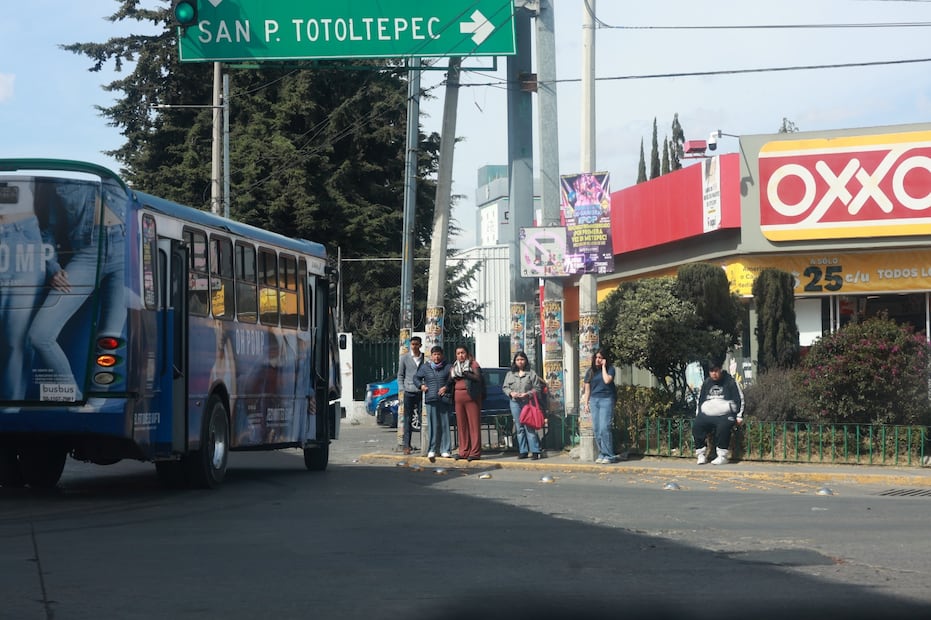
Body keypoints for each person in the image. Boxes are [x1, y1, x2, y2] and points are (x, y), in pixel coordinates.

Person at [27, 178, 127, 402]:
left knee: (110, 338)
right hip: (87, 253)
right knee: (40, 334)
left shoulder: (113, 179)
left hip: (125, 250)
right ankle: (72, 396)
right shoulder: (60, 182)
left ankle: (94, 407)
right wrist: (53, 268)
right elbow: (48, 231)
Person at [0, 178, 45, 403]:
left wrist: (53, 263)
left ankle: (11, 407)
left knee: (14, 339)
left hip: (25, 239)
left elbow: (48, 219)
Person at [693, 357, 744, 465]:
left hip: (726, 414)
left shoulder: (730, 381)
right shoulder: (707, 383)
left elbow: (739, 399)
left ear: (720, 370)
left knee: (723, 427)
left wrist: (739, 416)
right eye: (711, 371)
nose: (714, 374)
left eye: (716, 371)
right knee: (697, 425)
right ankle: (701, 454)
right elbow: (700, 399)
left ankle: (722, 456)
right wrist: (698, 414)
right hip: (708, 413)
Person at [414, 345, 452, 463]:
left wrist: (446, 387)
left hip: (444, 399)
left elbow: (452, 380)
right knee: (433, 426)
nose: (436, 357)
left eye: (438, 354)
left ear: (442, 355)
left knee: (445, 425)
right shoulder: (425, 367)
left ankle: (445, 449)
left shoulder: (448, 367)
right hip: (431, 399)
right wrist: (421, 386)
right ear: (431, 356)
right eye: (434, 354)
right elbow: (416, 378)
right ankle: (432, 449)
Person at [502, 351, 544, 460]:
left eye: (522, 359)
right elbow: (505, 387)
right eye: (518, 360)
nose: (520, 362)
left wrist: (528, 394)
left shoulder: (531, 373)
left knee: (529, 426)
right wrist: (511, 393)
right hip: (515, 402)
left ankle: (535, 450)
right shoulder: (510, 374)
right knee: (519, 427)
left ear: (525, 361)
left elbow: (537, 388)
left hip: (527, 403)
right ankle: (523, 450)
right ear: (514, 361)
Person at [581, 349, 619, 464]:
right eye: (596, 357)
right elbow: (587, 389)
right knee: (597, 429)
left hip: (606, 399)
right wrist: (586, 403)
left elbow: (607, 380)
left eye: (600, 358)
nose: (598, 360)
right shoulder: (590, 372)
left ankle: (609, 455)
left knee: (604, 427)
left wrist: (603, 367)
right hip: (594, 400)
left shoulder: (610, 369)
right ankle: (602, 453)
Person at [449, 345, 483, 462]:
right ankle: (463, 451)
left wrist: (466, 374)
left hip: (471, 397)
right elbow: (450, 381)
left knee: (473, 425)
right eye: (458, 353)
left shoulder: (473, 364)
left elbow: (478, 378)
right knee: (462, 425)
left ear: (467, 353)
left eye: (462, 353)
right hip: (458, 397)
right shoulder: (454, 367)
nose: (460, 355)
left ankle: (475, 452)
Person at [396, 336, 425, 455]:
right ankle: (406, 445)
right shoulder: (404, 358)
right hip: (408, 391)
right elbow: (400, 375)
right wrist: (402, 389)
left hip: (421, 391)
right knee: (407, 419)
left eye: (417, 344)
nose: (414, 346)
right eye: (412, 344)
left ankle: (424, 444)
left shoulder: (424, 358)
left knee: (422, 419)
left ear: (420, 345)